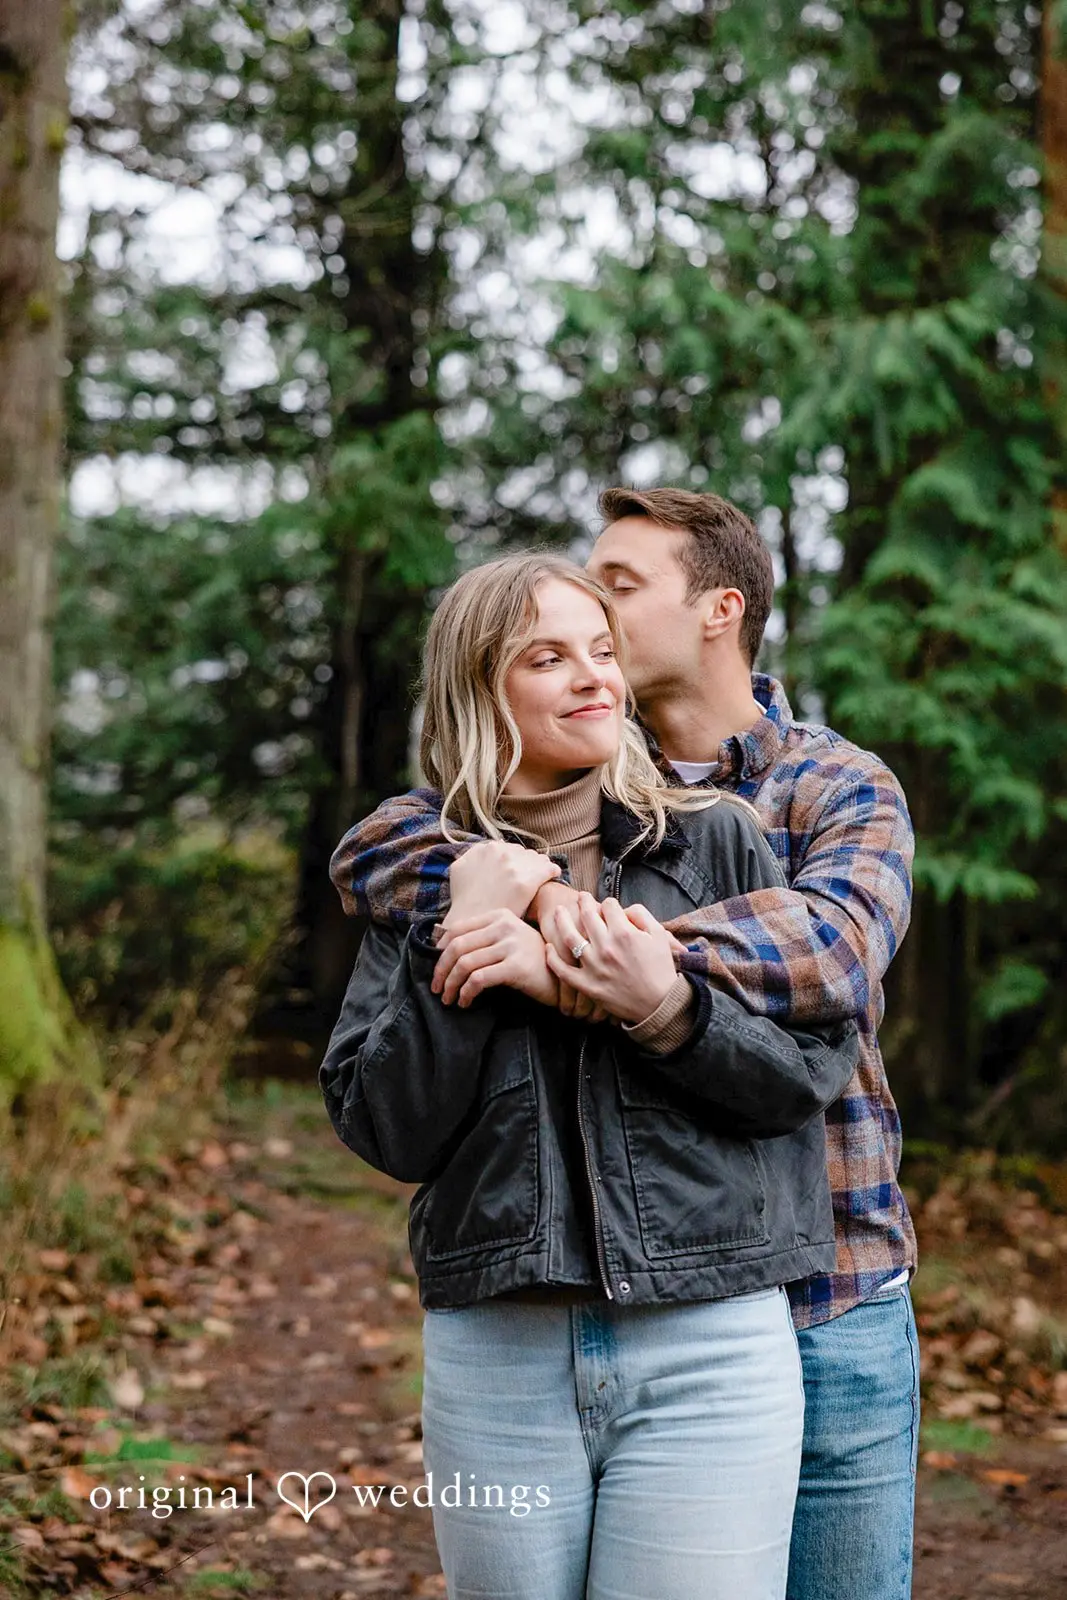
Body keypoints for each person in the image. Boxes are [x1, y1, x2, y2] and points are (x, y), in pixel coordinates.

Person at [329, 489, 920, 1600]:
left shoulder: (814, 794)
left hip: (821, 1276)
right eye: (554, 647)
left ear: (718, 610)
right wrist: (488, 902)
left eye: (615, 600)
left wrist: (582, 954)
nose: (590, 651)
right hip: (525, 1315)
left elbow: (832, 962)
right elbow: (383, 846)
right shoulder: (489, 829)